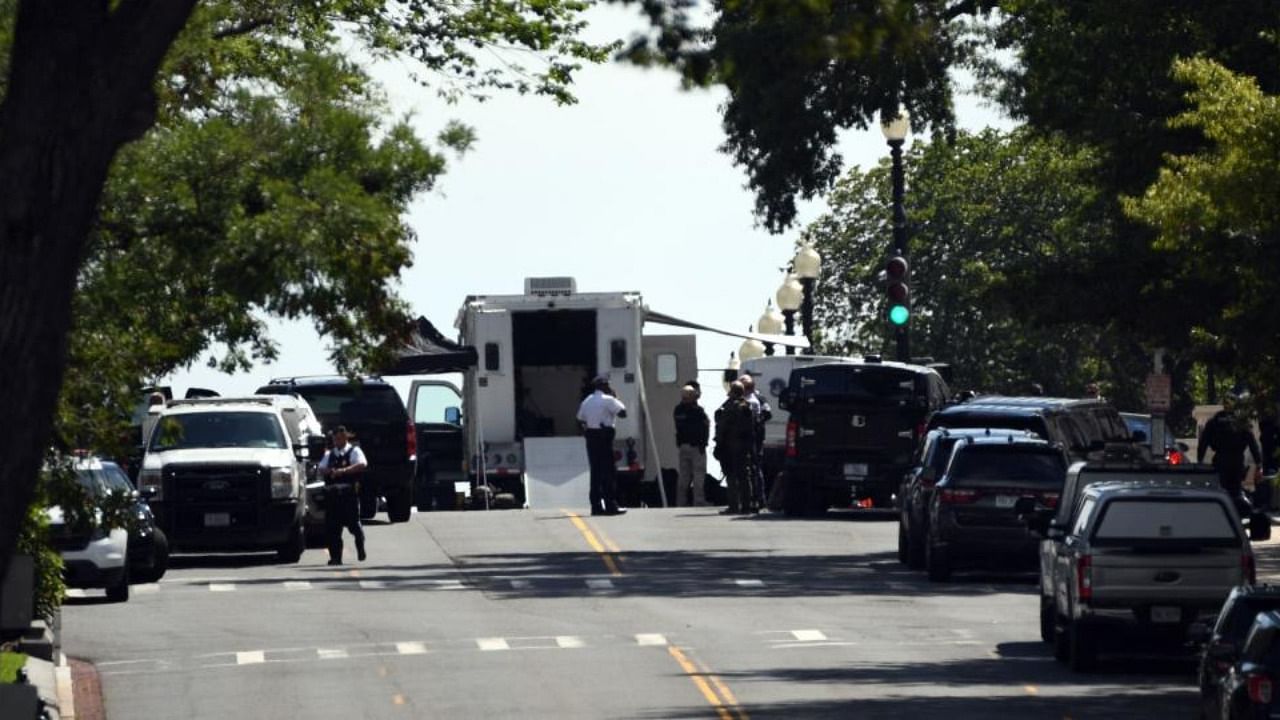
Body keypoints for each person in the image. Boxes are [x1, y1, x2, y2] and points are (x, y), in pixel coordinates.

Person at [1197, 394, 1262, 509]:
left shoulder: (1215, 420)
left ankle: (1224, 511)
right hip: (1237, 461)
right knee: (1236, 490)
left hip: (1221, 459)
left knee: (1221, 490)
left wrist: (1199, 461)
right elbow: (1252, 443)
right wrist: (1258, 463)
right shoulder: (1241, 421)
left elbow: (1203, 443)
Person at [577, 374, 628, 516]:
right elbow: (623, 413)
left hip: (591, 437)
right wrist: (616, 398)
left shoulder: (587, 401)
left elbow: (580, 419)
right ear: (604, 386)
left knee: (595, 473)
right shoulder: (608, 400)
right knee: (608, 473)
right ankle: (611, 506)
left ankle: (596, 506)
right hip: (604, 437)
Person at [318, 426, 368, 565]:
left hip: (349, 495)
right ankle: (335, 557)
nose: (337, 441)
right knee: (332, 529)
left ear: (346, 437)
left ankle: (360, 547)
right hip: (333, 496)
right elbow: (321, 468)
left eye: (340, 438)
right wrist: (331, 471)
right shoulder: (330, 454)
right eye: (335, 438)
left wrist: (344, 471)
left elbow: (362, 464)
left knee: (354, 526)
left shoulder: (354, 451)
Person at [714, 381, 756, 515]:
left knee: (731, 476)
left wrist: (718, 444)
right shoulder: (748, 407)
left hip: (730, 447)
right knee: (744, 477)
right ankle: (746, 505)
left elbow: (722, 427)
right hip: (744, 447)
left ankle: (734, 505)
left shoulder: (730, 407)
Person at [673, 385, 710, 506]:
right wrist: (704, 443)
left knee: (684, 476)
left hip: (683, 446)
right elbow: (704, 427)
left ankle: (681, 502)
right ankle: (698, 500)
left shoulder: (678, 410)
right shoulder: (697, 411)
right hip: (696, 446)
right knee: (699, 474)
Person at [739, 374, 772, 510]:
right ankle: (747, 499)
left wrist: (756, 423)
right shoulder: (738, 400)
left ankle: (759, 499)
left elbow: (768, 413)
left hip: (755, 439)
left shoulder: (758, 398)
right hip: (743, 439)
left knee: (755, 469)